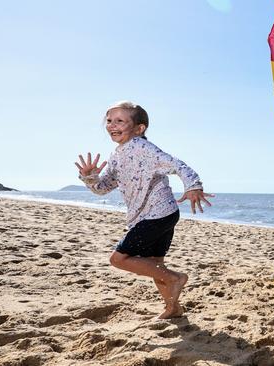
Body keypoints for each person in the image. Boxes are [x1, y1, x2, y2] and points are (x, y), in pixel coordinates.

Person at [74, 101, 213, 319]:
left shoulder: (143, 148)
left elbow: (177, 164)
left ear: (139, 128)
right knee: (155, 265)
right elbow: (102, 188)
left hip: (158, 213)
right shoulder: (117, 155)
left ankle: (176, 279)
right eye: (109, 121)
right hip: (156, 214)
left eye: (120, 121)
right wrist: (90, 177)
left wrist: (193, 185)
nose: (112, 125)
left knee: (118, 259)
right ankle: (173, 308)